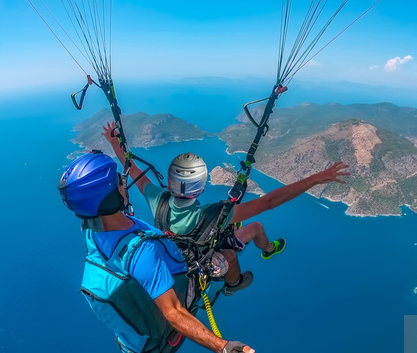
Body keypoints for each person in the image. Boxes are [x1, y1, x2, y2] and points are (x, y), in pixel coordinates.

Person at [101, 122, 350, 295]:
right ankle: (240, 278)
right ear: (200, 190)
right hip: (203, 263)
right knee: (254, 228)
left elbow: (135, 172)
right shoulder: (215, 215)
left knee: (244, 226)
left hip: (173, 259)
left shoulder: (158, 200)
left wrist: (115, 145)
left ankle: (265, 251)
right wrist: (314, 179)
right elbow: (268, 202)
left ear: (168, 182)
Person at [58, 150, 254, 353]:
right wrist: (223, 347)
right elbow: (173, 312)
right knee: (227, 252)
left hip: (135, 334)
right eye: (119, 182)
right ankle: (233, 285)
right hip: (177, 302)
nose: (124, 182)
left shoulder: (93, 233)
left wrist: (115, 143)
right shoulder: (143, 252)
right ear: (110, 195)